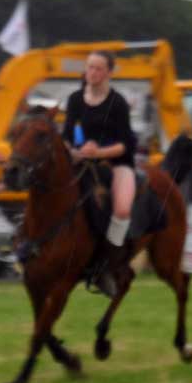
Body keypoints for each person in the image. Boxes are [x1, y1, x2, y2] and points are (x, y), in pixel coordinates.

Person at [61, 50, 138, 298]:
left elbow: (125, 144)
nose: (92, 73)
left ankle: (108, 265)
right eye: (89, 67)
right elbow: (66, 137)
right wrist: (73, 151)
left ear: (108, 73)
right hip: (81, 161)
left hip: (115, 163)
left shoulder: (118, 103)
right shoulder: (74, 99)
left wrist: (99, 152)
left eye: (97, 68)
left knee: (123, 209)